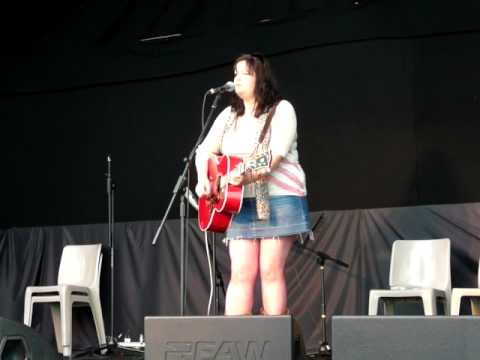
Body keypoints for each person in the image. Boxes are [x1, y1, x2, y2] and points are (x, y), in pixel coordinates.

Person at [195, 53, 311, 316]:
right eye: (235, 73)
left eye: (245, 73)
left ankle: (274, 343)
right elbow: (204, 152)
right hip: (239, 201)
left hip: (277, 198)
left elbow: (274, 154)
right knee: (241, 272)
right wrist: (205, 179)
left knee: (270, 270)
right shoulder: (227, 115)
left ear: (261, 78)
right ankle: (237, 344)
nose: (237, 79)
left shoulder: (282, 110)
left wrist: (242, 172)